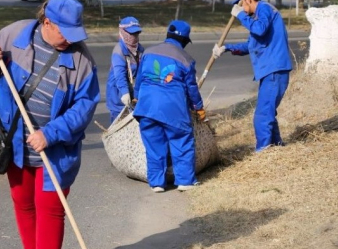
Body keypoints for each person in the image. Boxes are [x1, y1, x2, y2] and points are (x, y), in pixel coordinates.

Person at [0, 0, 100, 249]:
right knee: (22, 201)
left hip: (55, 150)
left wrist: (51, 133)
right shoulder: (13, 35)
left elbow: (85, 107)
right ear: (47, 23)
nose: (71, 39)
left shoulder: (82, 61)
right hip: (15, 143)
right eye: (65, 32)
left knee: (51, 210)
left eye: (75, 32)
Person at [133, 20, 206, 193]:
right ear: (184, 41)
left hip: (147, 109)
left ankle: (157, 183)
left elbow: (139, 81)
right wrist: (199, 107)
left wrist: (137, 98)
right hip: (174, 111)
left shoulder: (148, 53)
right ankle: (184, 181)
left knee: (154, 146)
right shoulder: (186, 60)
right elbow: (192, 89)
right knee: (181, 142)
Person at [212, 0, 292, 152]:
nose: (239, 8)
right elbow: (251, 45)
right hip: (271, 71)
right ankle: (276, 147)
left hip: (274, 70)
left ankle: (263, 151)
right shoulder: (259, 15)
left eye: (241, 5)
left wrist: (241, 15)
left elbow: (260, 30)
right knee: (267, 112)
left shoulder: (264, 8)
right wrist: (226, 48)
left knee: (262, 116)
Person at [106, 16, 144, 123]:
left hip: (134, 95)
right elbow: (119, 74)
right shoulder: (119, 51)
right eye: (131, 33)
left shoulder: (140, 50)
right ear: (122, 32)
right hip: (118, 96)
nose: (134, 37)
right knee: (118, 126)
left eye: (136, 34)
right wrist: (124, 92)